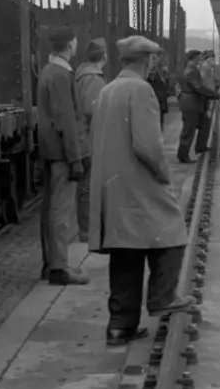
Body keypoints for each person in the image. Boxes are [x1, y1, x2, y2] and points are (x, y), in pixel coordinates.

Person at [88, 35, 196, 346]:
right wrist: (164, 174)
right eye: (152, 60)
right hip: (138, 182)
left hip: (113, 182)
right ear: (146, 60)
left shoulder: (108, 90)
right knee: (172, 232)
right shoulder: (141, 90)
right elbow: (148, 145)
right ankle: (163, 298)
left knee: (126, 252)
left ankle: (120, 326)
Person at [36, 26, 88, 285]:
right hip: (61, 153)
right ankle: (59, 267)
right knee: (61, 210)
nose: (77, 45)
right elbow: (66, 120)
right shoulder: (60, 75)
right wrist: (75, 158)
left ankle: (52, 264)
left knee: (50, 209)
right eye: (75, 42)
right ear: (69, 44)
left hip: (51, 150)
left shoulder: (49, 71)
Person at [73, 38, 107, 244]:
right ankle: (87, 230)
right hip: (89, 137)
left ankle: (88, 227)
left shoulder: (82, 74)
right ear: (103, 57)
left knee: (86, 184)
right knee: (88, 184)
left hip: (83, 135)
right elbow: (92, 109)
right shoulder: (93, 78)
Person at [176, 50, 212, 163]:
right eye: (199, 57)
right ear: (194, 58)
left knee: (205, 124)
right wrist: (214, 95)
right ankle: (183, 155)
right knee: (189, 130)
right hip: (192, 103)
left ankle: (201, 147)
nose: (200, 59)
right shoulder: (192, 71)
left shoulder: (190, 69)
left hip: (193, 103)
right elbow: (198, 87)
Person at [148, 51, 171, 131]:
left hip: (160, 109)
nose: (155, 61)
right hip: (151, 110)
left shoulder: (161, 74)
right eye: (152, 58)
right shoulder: (145, 77)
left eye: (155, 58)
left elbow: (164, 89)